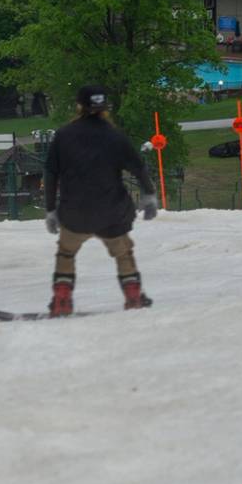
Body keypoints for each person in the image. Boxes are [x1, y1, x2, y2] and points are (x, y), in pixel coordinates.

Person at [40, 84, 158, 318]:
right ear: (105, 107)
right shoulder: (115, 136)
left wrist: (50, 210)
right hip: (112, 213)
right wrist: (149, 195)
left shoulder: (64, 135)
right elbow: (138, 167)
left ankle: (62, 300)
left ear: (79, 106)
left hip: (75, 213)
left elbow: (51, 173)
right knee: (123, 252)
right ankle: (133, 296)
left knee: (66, 252)